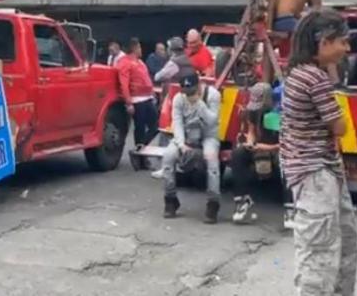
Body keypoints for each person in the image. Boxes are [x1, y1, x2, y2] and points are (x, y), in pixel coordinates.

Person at [280, 8, 357, 296]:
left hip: (321, 172)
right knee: (320, 258)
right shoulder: (315, 79)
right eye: (343, 42)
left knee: (341, 246)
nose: (346, 49)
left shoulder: (300, 74)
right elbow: (340, 128)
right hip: (316, 176)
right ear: (324, 41)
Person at [161, 71, 222, 223]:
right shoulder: (179, 99)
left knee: (212, 162)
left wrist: (199, 104)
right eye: (186, 92)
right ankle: (170, 199)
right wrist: (181, 145)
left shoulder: (212, 95)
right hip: (187, 136)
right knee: (168, 156)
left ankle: (213, 203)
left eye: (192, 92)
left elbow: (213, 121)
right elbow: (177, 123)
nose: (189, 96)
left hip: (208, 136)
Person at [230, 82, 277, 224]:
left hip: (275, 148)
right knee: (238, 154)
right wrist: (250, 142)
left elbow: (286, 143)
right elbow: (251, 131)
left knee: (285, 163)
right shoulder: (253, 112)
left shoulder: (277, 115)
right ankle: (242, 200)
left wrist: (266, 147)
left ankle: (291, 209)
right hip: (259, 145)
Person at [116, 38, 158, 149]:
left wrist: (152, 93)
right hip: (137, 100)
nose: (141, 50)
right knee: (140, 126)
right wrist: (129, 103)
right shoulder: (125, 63)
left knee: (156, 125)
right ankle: (140, 149)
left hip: (147, 98)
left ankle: (142, 146)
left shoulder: (140, 62)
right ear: (134, 48)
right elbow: (124, 84)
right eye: (139, 47)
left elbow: (146, 78)